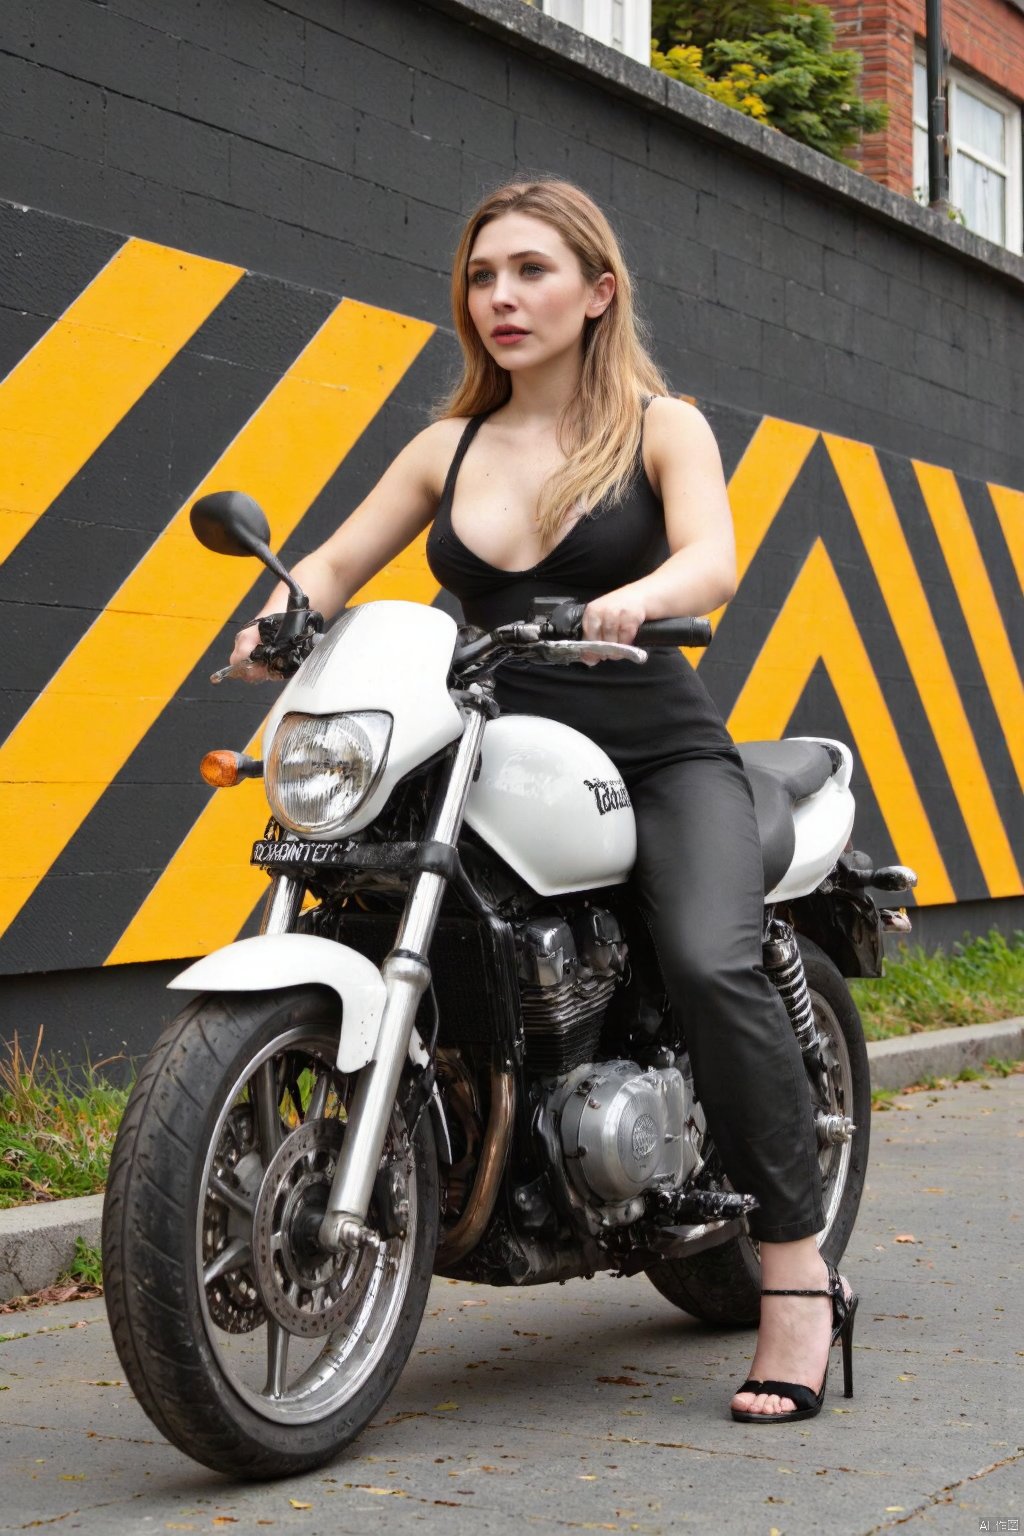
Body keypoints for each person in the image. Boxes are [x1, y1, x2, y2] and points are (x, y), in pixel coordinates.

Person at [228, 178, 856, 1424]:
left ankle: (796, 1282)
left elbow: (712, 560)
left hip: (658, 752)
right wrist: (279, 611)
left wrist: (640, 598)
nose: (502, 298)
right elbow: (341, 561)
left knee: (709, 960)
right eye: (481, 276)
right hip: (492, 741)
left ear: (597, 291)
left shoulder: (659, 427)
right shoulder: (444, 446)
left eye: (530, 271)